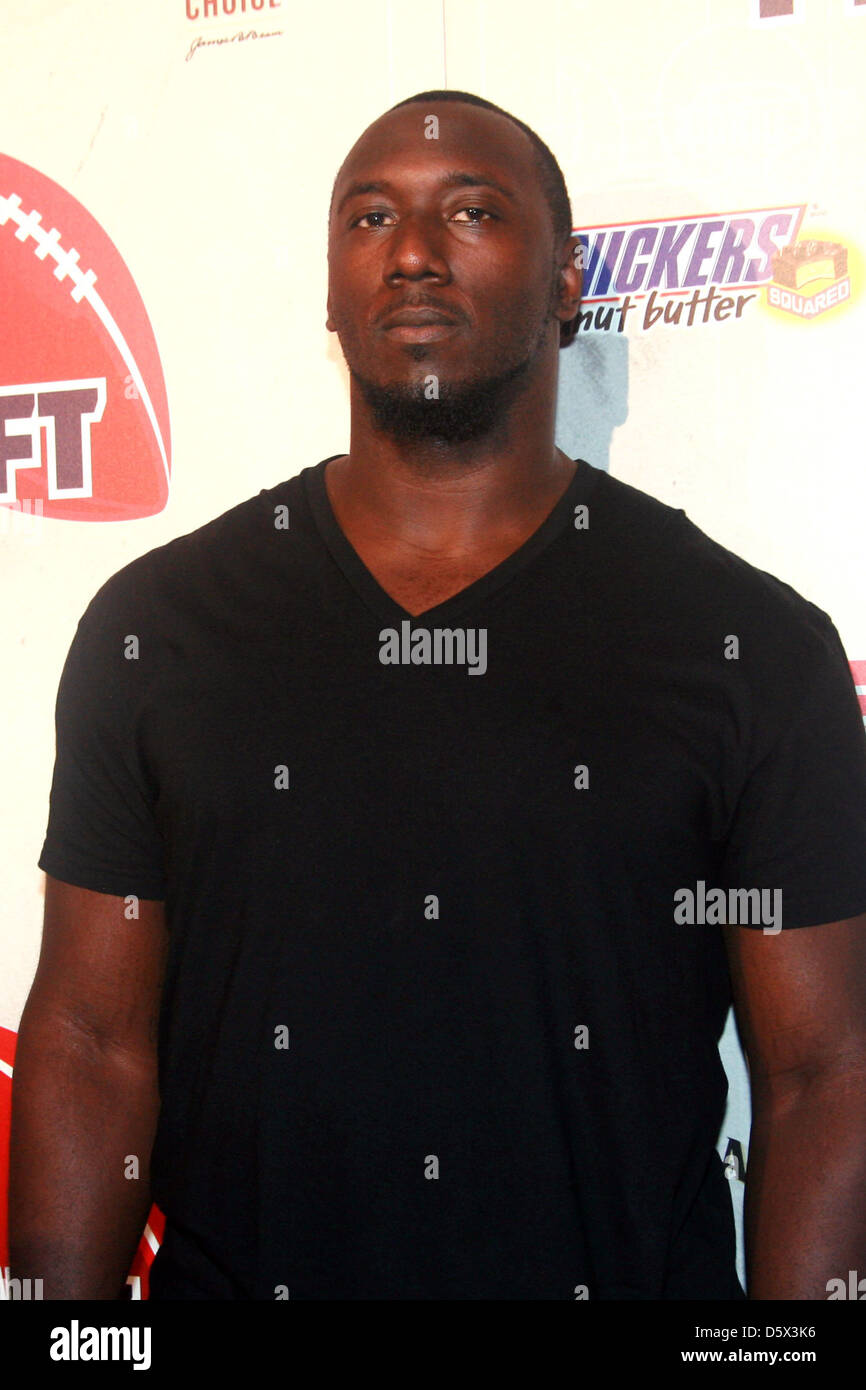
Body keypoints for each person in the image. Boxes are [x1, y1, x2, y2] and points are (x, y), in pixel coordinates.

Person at [9, 89, 866, 1301]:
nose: (411, 252)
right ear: (326, 292)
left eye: (470, 211)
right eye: (368, 218)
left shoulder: (743, 647)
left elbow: (820, 1075)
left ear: (567, 282)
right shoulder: (159, 631)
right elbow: (90, 1049)